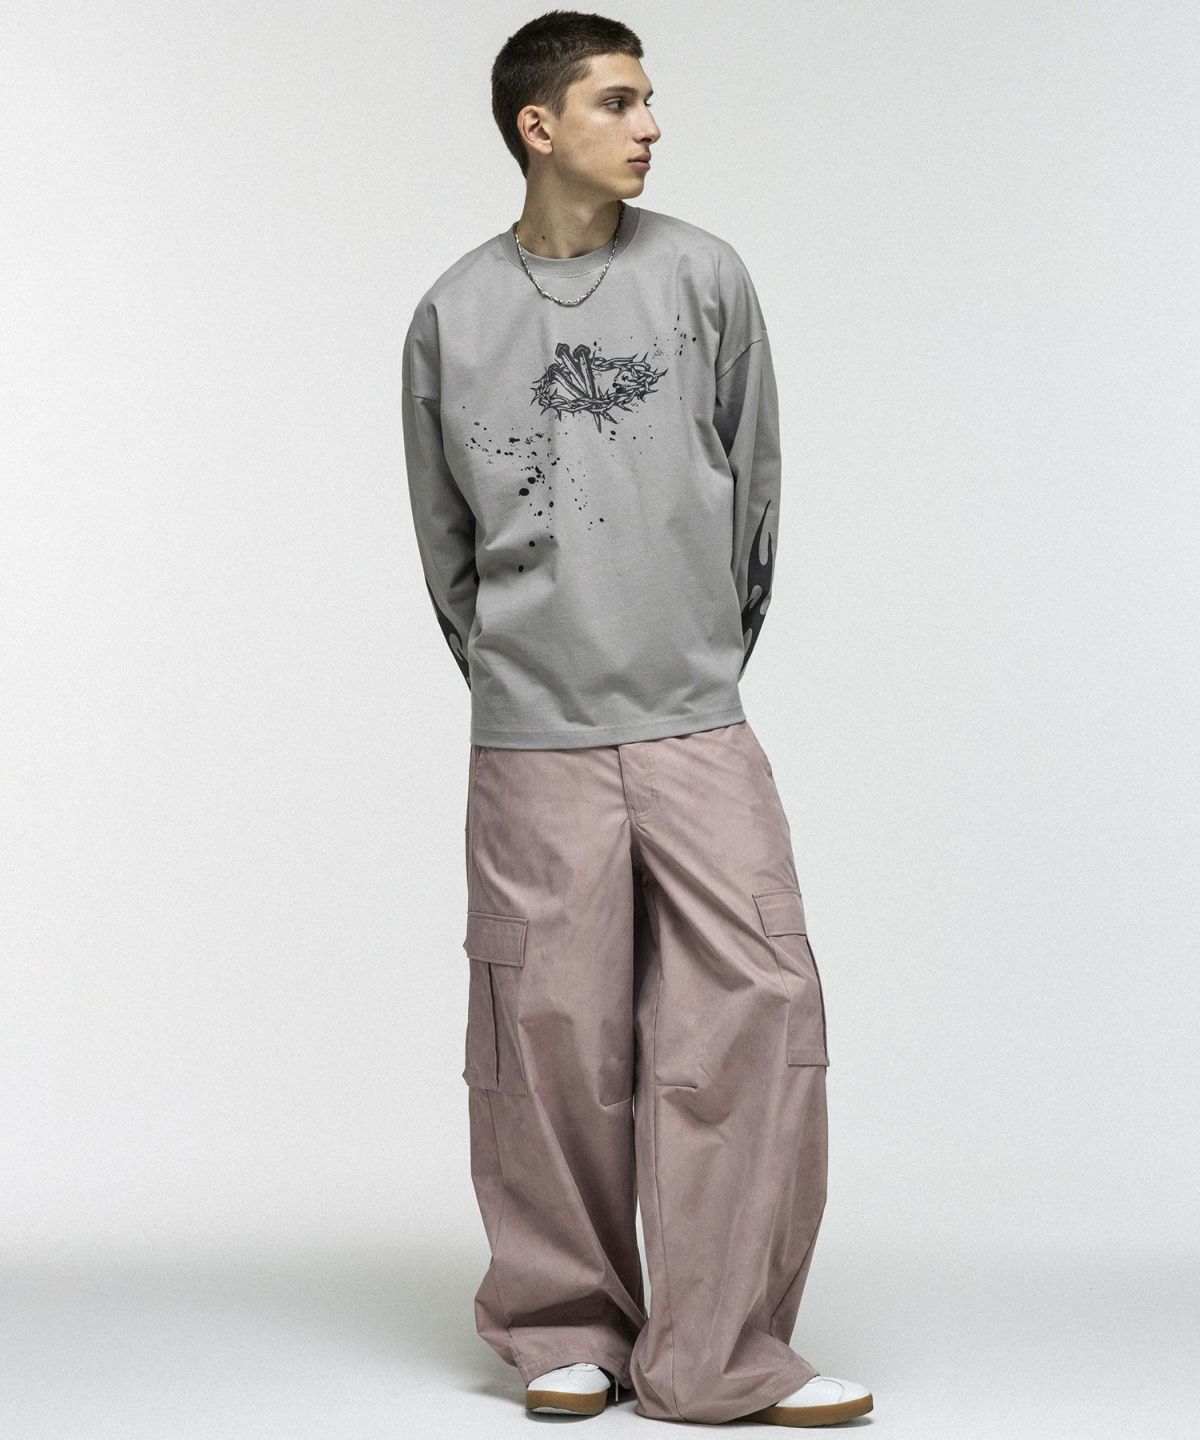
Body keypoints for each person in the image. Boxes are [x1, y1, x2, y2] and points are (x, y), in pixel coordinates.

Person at [401, 9, 873, 1427]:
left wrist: (693, 659)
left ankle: (720, 1349)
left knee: (757, 1010)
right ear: (539, 126)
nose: (651, 125)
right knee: (548, 1031)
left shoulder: (703, 278)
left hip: (690, 717)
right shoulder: (453, 316)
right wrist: (525, 676)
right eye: (618, 101)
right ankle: (565, 1326)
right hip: (532, 733)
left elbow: (755, 492)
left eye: (649, 99)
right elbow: (447, 549)